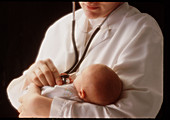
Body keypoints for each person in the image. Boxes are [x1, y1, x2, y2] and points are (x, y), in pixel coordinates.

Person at [7, 2, 163, 118]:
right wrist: (31, 78)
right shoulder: (60, 27)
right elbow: (17, 97)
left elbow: (133, 114)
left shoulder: (142, 30)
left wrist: (48, 108)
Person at [20, 64, 122, 109]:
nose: (77, 75)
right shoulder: (83, 104)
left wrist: (34, 86)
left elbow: (45, 93)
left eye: (81, 75)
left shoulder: (68, 92)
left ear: (82, 93)